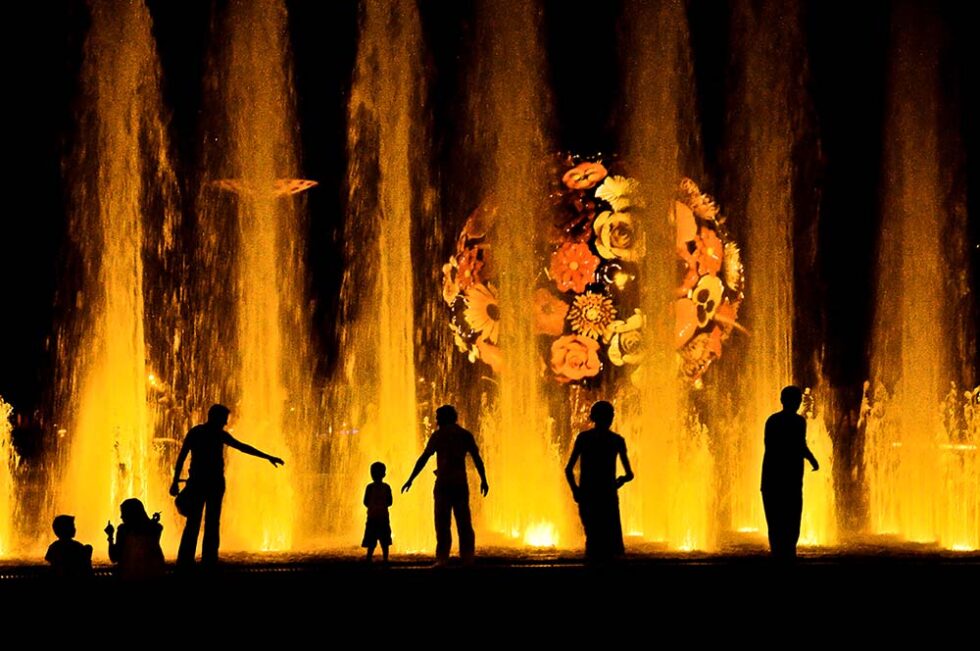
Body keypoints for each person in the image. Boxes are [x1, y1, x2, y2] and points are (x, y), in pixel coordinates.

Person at [170, 403, 285, 570]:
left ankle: (186, 560)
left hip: (199, 482)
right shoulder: (217, 434)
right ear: (215, 418)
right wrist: (268, 457)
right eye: (224, 419)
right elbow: (242, 447)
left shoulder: (197, 432)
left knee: (194, 521)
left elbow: (182, 457)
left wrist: (175, 481)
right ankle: (209, 560)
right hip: (212, 483)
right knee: (211, 522)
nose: (225, 423)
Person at [402, 405, 488, 566]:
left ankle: (442, 558)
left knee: (442, 523)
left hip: (443, 484)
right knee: (464, 522)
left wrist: (411, 479)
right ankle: (467, 558)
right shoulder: (465, 435)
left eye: (438, 417)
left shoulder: (438, 436)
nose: (436, 420)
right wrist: (483, 479)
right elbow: (477, 459)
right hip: (459, 483)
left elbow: (424, 458)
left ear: (443, 418)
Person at [565, 400, 634, 564]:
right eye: (610, 416)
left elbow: (568, 469)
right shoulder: (617, 440)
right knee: (611, 545)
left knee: (592, 539)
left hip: (588, 495)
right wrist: (620, 481)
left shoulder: (583, 438)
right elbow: (630, 474)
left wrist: (576, 491)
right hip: (608, 496)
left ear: (593, 417)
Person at [761, 385, 819, 560]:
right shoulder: (798, 422)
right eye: (797, 400)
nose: (798, 403)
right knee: (791, 520)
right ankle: (788, 557)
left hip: (771, 479)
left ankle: (778, 556)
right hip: (790, 480)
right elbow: (800, 445)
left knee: (775, 523)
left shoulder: (772, 420)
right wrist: (812, 459)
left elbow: (770, 446)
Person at [104, 498, 166, 580]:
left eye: (123, 513)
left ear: (131, 514)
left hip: (129, 577)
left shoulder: (123, 530)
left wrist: (110, 535)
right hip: (153, 577)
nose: (121, 516)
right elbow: (146, 530)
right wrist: (153, 522)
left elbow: (114, 557)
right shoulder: (155, 528)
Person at [362, 461, 393, 564]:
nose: (374, 475)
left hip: (373, 517)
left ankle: (369, 558)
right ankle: (385, 558)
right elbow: (390, 502)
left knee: (373, 539)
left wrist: (373, 507)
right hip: (382, 517)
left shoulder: (370, 487)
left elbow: (365, 501)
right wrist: (381, 506)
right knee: (384, 540)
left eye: (375, 473)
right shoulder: (386, 487)